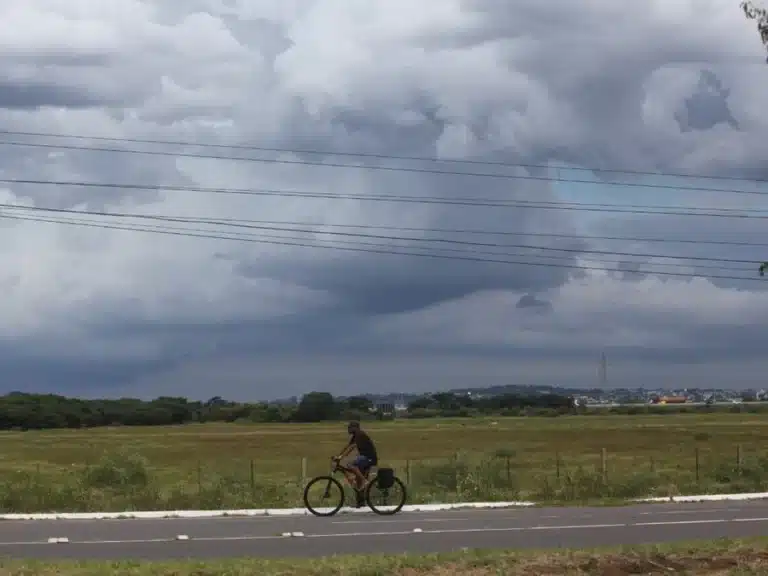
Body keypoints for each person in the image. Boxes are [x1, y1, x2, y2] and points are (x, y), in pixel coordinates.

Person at [334, 421, 378, 506]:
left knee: (351, 465)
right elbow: (347, 446)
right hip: (365, 458)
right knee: (358, 481)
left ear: (355, 428)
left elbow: (352, 447)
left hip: (369, 458)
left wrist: (341, 457)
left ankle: (365, 481)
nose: (348, 429)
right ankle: (360, 502)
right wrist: (338, 456)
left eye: (350, 427)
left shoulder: (359, 434)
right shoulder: (356, 435)